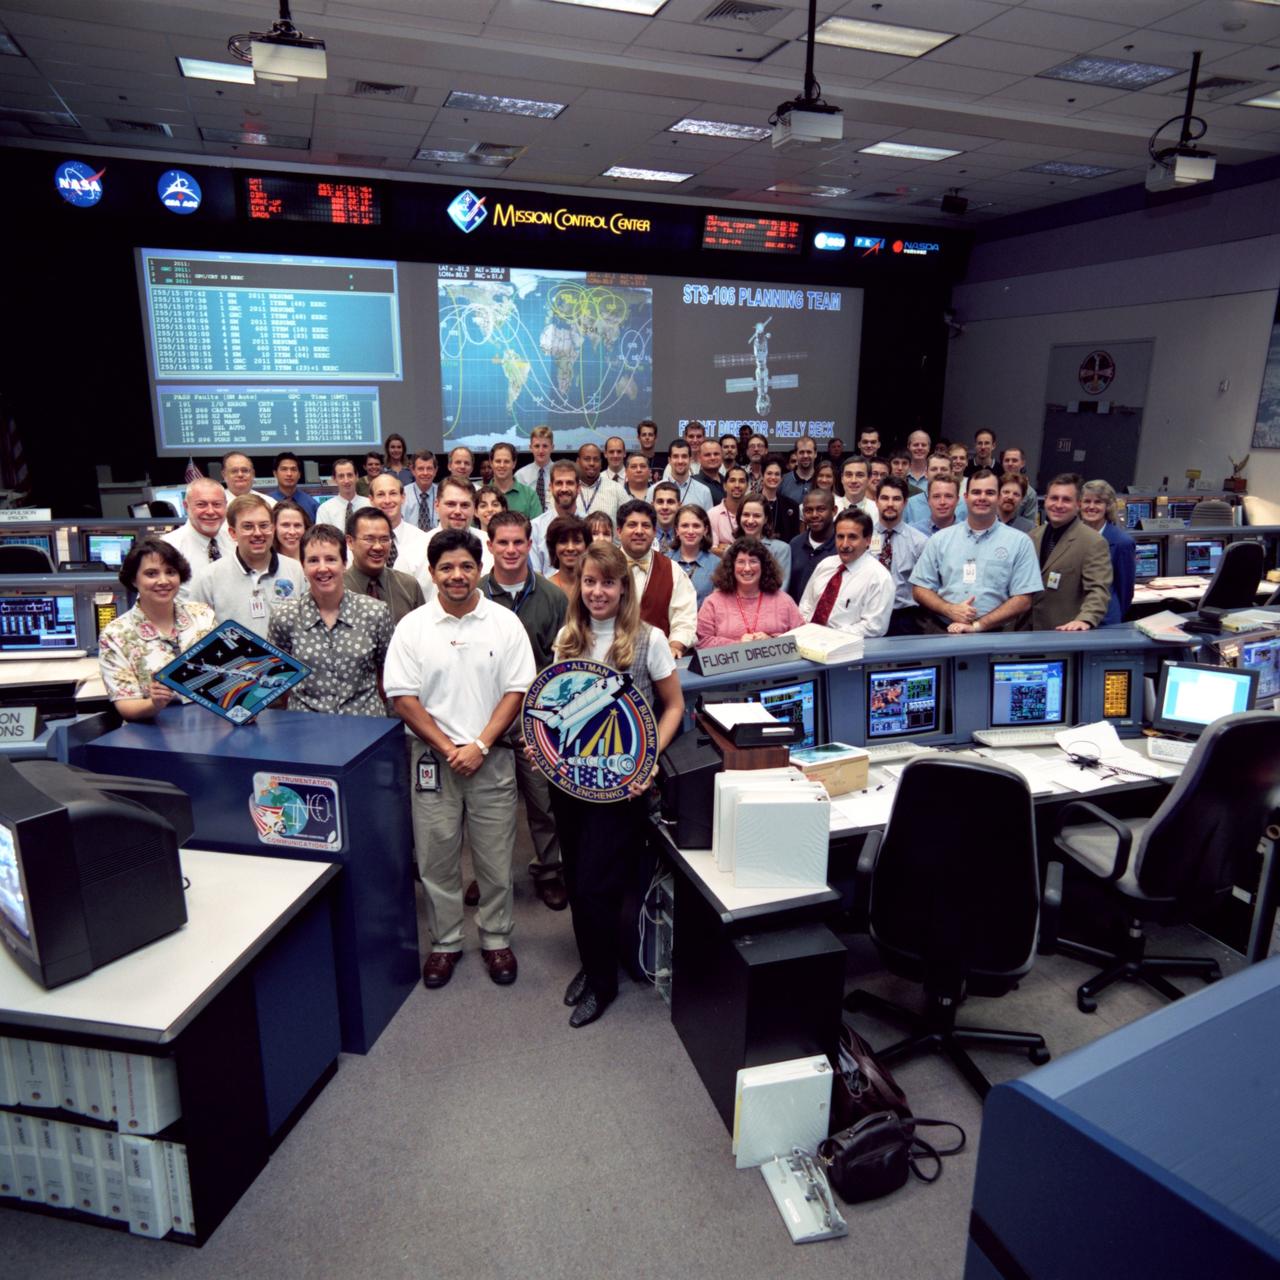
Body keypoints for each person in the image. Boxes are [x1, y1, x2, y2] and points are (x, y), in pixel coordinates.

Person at [385, 529, 535, 991]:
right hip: (432, 760)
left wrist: (481, 745)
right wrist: (450, 749)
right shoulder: (413, 627)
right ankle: (446, 943)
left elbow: (518, 690)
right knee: (436, 859)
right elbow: (402, 697)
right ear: (431, 573)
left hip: (490, 759)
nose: (456, 575)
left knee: (494, 859)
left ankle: (495, 938)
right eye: (446, 567)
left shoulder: (504, 622)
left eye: (466, 566)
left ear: (480, 569)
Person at [543, 541, 685, 1027]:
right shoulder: (568, 636)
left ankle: (602, 985)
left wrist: (650, 760)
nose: (598, 591)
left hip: (621, 788)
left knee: (598, 885)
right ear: (578, 586)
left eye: (608, 582)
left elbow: (673, 708)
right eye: (589, 582)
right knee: (578, 883)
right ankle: (592, 963)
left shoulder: (650, 639)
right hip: (571, 784)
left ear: (624, 587)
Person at [480, 511, 570, 911]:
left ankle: (549, 871)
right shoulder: (474, 593)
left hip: (536, 720)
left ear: (530, 544)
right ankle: (488, 876)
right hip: (485, 717)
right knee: (484, 809)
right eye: (503, 542)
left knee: (543, 804)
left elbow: (563, 664)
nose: (512, 550)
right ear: (490, 545)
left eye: (519, 542)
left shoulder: (553, 598)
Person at [268, 525, 393, 716]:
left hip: (366, 726)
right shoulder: (285, 617)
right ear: (302, 566)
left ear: (344, 563)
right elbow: (279, 679)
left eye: (331, 559)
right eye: (313, 560)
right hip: (306, 728)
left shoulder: (374, 612)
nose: (322, 568)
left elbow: (387, 674)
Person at [910, 469, 1043, 634]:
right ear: (965, 498)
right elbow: (919, 588)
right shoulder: (940, 539)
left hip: (995, 635)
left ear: (999, 497)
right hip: (942, 630)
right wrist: (948, 609)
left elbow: (1023, 599)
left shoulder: (1020, 542)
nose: (982, 498)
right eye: (976, 492)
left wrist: (980, 625)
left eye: (990, 492)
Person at [98, 537, 216, 722]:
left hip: (211, 724)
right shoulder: (116, 634)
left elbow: (226, 675)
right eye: (151, 574)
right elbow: (126, 706)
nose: (163, 581)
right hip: (154, 731)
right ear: (133, 580)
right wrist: (154, 703)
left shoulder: (202, 616)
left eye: (170, 572)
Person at [190, 494, 304, 635]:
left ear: (273, 529)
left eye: (263, 525)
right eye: (248, 526)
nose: (257, 533)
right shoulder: (208, 578)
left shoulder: (295, 569)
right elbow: (198, 636)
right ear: (232, 533)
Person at [1025, 474, 1113, 632]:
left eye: (1066, 500)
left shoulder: (1093, 542)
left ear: (1078, 504)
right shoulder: (1032, 536)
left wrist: (1086, 619)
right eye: (1054, 498)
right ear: (1045, 500)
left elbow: (1098, 590)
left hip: (1063, 632)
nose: (1058, 505)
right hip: (1025, 631)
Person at [618, 499, 696, 656]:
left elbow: (684, 618)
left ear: (654, 532)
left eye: (646, 526)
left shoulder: (672, 570)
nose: (639, 531)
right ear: (619, 531)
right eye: (632, 525)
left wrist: (675, 646)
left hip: (658, 660)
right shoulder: (603, 567)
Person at [798, 510, 894, 638]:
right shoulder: (825, 565)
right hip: (807, 640)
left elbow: (874, 627)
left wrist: (827, 636)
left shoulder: (879, 578)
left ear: (868, 540)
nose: (844, 544)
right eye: (840, 536)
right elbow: (806, 605)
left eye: (852, 537)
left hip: (847, 650)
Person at [696, 537, 804, 647]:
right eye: (741, 562)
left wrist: (772, 641)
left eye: (753, 561)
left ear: (763, 566)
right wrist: (737, 645)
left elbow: (803, 637)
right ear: (731, 567)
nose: (747, 568)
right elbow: (701, 642)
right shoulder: (713, 602)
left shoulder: (784, 600)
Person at [343, 506, 425, 628]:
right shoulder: (336, 590)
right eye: (369, 539)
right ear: (350, 542)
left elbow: (422, 634)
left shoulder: (408, 586)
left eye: (384, 539)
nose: (378, 547)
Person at [871, 477, 929, 635]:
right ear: (876, 501)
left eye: (896, 499)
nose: (890, 504)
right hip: (868, 614)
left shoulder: (920, 542)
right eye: (884, 498)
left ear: (905, 503)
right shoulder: (863, 538)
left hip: (905, 618)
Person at [422, 477, 495, 595]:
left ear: (474, 508)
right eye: (451, 504)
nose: (457, 511)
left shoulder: (492, 547)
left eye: (465, 505)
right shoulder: (412, 553)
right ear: (436, 505)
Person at [1080, 479, 1136, 626]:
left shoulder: (1122, 542)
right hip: (1075, 617)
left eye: (1098, 502)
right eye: (1086, 501)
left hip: (1106, 620)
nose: (1091, 507)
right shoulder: (1072, 536)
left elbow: (1125, 591)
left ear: (1108, 506)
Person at [161, 477, 234, 577]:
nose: (210, 511)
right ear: (186, 506)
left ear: (226, 506)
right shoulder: (168, 548)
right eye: (201, 504)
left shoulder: (235, 541)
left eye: (217, 504)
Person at [368, 472, 430, 583]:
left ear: (403, 497)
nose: (387, 500)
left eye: (393, 493)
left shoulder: (422, 539)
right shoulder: (361, 542)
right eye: (381, 494)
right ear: (371, 500)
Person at [665, 503, 719, 615]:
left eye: (696, 526)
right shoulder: (663, 562)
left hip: (703, 629)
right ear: (677, 530)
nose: (690, 531)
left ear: (705, 530)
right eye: (685, 526)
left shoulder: (717, 565)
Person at [530, 460, 582, 573]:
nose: (564, 489)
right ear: (551, 487)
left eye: (569, 483)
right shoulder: (535, 527)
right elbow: (535, 573)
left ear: (578, 488)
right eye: (559, 483)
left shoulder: (589, 524)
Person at [787, 488, 837, 600]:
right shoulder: (795, 544)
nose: (814, 515)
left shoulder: (841, 546)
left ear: (834, 511)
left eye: (821, 509)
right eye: (808, 510)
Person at [736, 494, 791, 586]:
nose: (750, 521)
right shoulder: (731, 550)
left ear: (765, 519)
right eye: (746, 515)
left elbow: (781, 587)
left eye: (757, 516)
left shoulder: (781, 550)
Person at [905, 455, 967, 526]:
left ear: (952, 473)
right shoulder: (910, 504)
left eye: (943, 469)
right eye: (934, 469)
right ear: (926, 473)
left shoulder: (963, 505)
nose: (938, 473)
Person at [489, 441, 542, 517]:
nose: (502, 465)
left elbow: (537, 527)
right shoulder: (481, 495)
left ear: (514, 464)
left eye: (506, 461)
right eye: (498, 461)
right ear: (491, 463)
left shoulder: (530, 495)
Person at [316, 457, 372, 529]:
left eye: (349, 475)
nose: (346, 481)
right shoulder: (325, 509)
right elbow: (322, 538)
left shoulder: (369, 505)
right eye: (341, 476)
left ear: (356, 476)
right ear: (334, 479)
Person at [656, 439, 712, 511]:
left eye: (684, 456)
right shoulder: (654, 490)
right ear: (669, 460)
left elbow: (708, 521)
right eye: (676, 456)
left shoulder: (704, 492)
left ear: (690, 460)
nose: (680, 461)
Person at [265, 451, 319, 521]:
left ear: (299, 474)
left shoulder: (312, 504)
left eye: (293, 469)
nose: (289, 474)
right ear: (275, 473)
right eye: (284, 469)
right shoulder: (266, 503)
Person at [708, 464, 749, 553]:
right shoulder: (712, 514)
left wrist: (727, 548)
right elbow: (711, 550)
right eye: (732, 480)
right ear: (725, 486)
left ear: (747, 486)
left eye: (742, 481)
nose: (737, 485)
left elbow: (756, 546)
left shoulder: (751, 514)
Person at [759, 455, 800, 542]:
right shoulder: (751, 502)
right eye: (769, 473)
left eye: (777, 474)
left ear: (781, 478)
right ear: (762, 476)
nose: (773, 477)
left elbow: (794, 537)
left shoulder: (792, 505)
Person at [575, 443, 620, 521]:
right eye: (587, 459)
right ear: (578, 462)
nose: (592, 463)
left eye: (596, 459)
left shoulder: (616, 489)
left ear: (601, 463)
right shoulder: (568, 489)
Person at [515, 425, 555, 512]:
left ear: (552, 448)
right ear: (530, 448)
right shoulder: (520, 475)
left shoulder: (560, 473)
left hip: (555, 522)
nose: (541, 451)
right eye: (537, 446)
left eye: (545, 446)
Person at [544, 515, 588, 591]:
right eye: (563, 541)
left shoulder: (596, 588)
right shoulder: (546, 590)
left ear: (587, 546)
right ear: (554, 547)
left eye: (577, 541)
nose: (570, 548)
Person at [402, 450, 439, 532]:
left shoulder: (443, 494)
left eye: (429, 468)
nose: (425, 473)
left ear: (435, 471)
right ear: (412, 470)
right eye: (421, 469)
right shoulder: (402, 494)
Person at [999, 447, 1039, 523]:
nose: (1010, 464)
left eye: (1014, 460)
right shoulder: (993, 486)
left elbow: (1030, 523)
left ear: (1022, 463)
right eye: (1007, 460)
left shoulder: (1030, 493)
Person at [779, 435, 818, 507]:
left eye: (809, 452)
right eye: (801, 452)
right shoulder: (783, 480)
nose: (805, 456)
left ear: (815, 454)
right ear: (796, 454)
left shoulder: (822, 480)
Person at [651, 480, 680, 553]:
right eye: (660, 502)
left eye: (670, 502)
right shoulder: (643, 536)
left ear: (679, 506)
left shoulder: (687, 537)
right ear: (652, 505)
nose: (665, 507)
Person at [697, 439, 726, 506]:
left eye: (716, 454)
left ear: (722, 456)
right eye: (707, 455)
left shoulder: (727, 481)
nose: (712, 458)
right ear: (699, 458)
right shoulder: (693, 483)